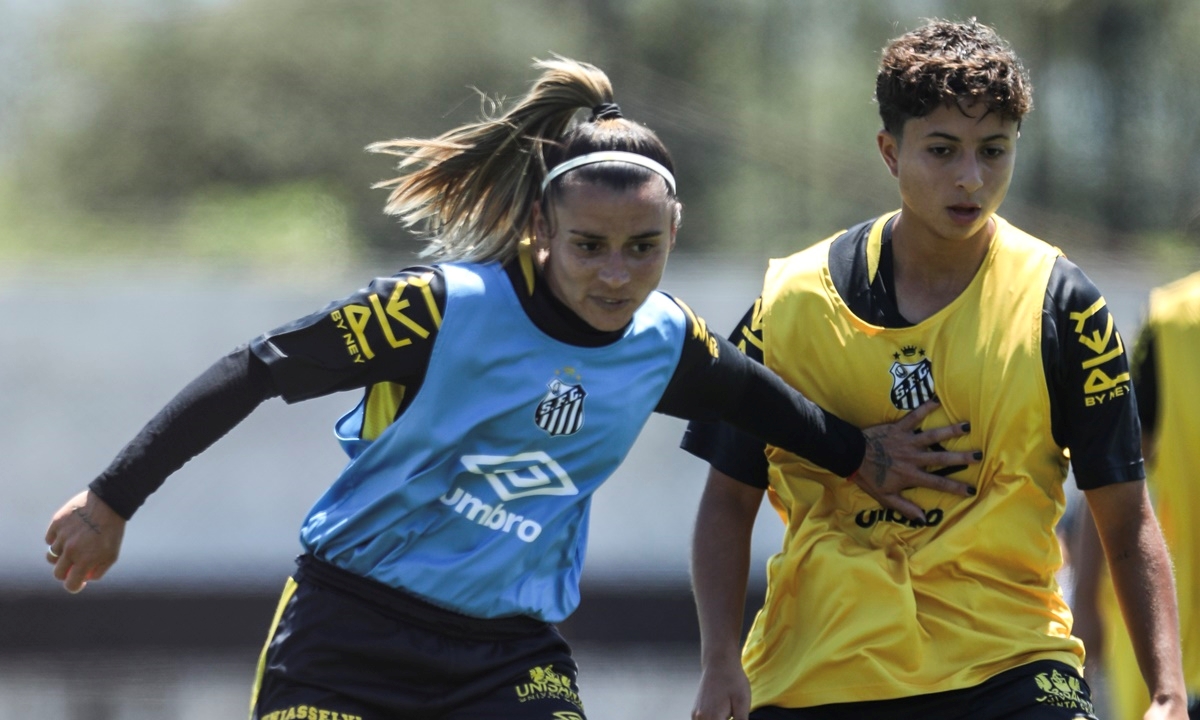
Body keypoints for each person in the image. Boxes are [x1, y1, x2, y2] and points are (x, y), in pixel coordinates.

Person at [43, 58, 977, 720]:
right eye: (590, 247)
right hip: (347, 634)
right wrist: (111, 498)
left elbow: (759, 401)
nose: (616, 276)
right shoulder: (437, 313)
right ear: (540, 227)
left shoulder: (663, 340)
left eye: (643, 248)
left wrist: (863, 454)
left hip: (508, 654)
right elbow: (254, 369)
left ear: (674, 232)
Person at [682, 18, 1188, 720]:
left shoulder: (1062, 304)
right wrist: (717, 665)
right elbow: (728, 499)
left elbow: (1125, 515)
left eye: (993, 151)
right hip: (824, 667)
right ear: (890, 152)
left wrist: (1167, 692)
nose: (971, 179)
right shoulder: (793, 303)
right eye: (942, 151)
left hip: (1012, 662)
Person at [1072, 270, 1200, 719]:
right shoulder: (1174, 321)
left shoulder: (1174, 317)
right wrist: (1085, 605)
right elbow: (1115, 477)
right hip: (1176, 651)